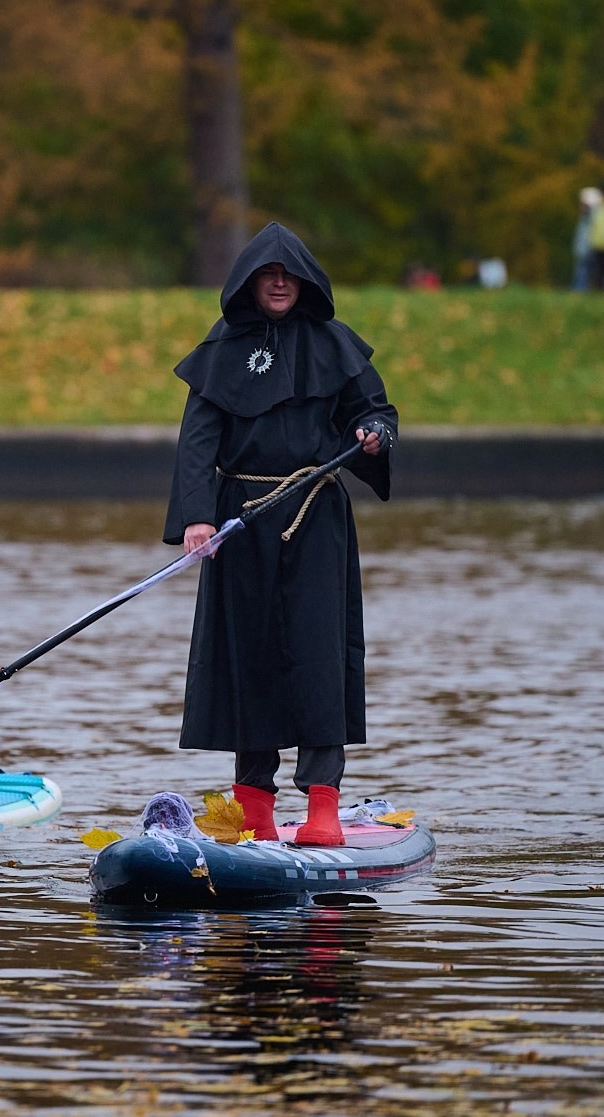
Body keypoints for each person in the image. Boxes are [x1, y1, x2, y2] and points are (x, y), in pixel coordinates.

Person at [164, 223, 397, 847]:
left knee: (321, 655)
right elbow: (197, 443)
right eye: (267, 275)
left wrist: (375, 434)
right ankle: (255, 810)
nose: (278, 283)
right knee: (249, 658)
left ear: (304, 283)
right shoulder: (220, 350)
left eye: (288, 275)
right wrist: (196, 516)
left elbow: (375, 411)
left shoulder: (334, 344)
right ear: (247, 284)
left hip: (316, 515)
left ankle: (322, 809)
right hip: (241, 521)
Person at [572, 187, 600, 292]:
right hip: (589, 247)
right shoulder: (594, 214)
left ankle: (578, 291)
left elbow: (585, 234)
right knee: (603, 270)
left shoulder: (590, 215)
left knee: (583, 271)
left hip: (588, 248)